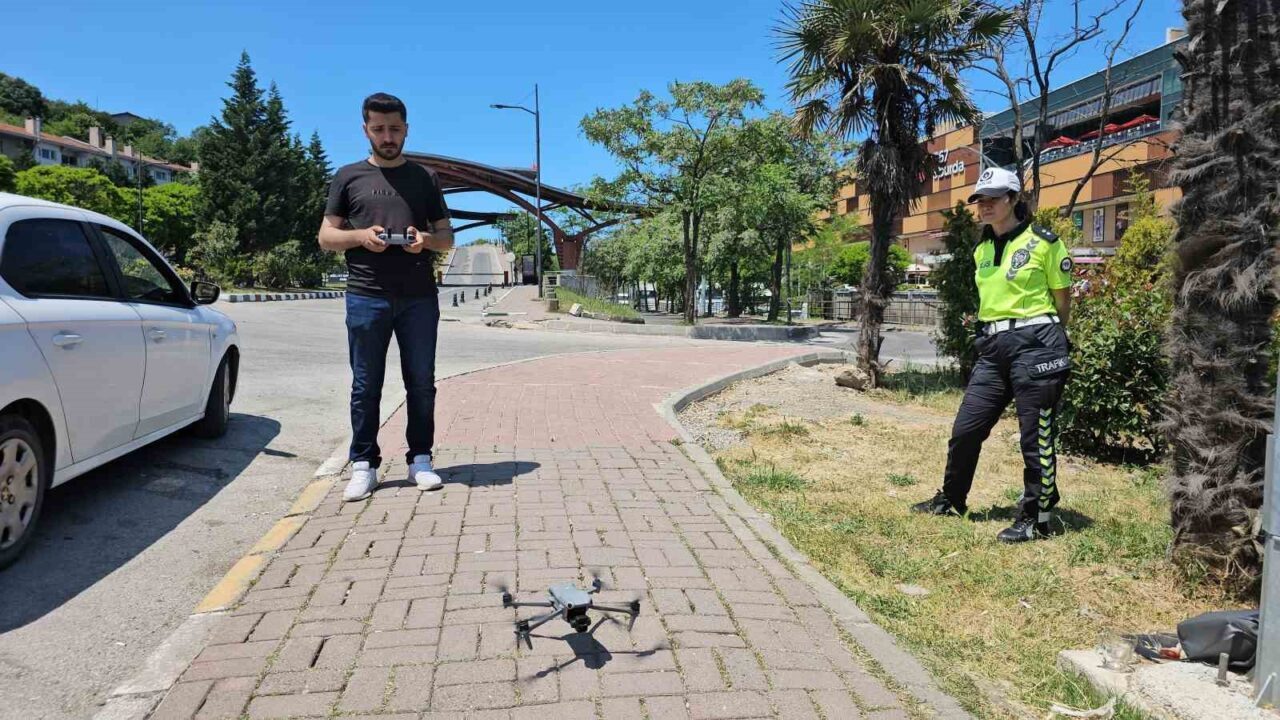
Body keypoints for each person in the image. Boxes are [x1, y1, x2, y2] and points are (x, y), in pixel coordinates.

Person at [911, 167, 1073, 542]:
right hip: (993, 347)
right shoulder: (982, 249)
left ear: (1013, 199)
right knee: (966, 429)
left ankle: (1037, 518)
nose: (984, 205)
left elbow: (1063, 300)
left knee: (1035, 436)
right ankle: (952, 499)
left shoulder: (1044, 243)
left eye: (993, 198)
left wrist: (1051, 340)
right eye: (979, 200)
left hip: (1037, 342)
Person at [318, 93, 454, 502]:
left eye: (394, 129)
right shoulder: (348, 177)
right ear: (366, 130)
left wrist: (423, 239)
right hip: (366, 295)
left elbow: (446, 237)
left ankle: (421, 460)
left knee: (422, 382)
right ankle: (364, 465)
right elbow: (326, 236)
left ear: (406, 129)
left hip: (418, 297)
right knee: (365, 385)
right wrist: (361, 236)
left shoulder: (425, 178)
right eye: (379, 129)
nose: (388, 137)